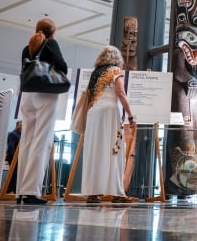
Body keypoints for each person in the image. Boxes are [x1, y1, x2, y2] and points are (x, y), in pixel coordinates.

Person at [16, 18, 68, 205]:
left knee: (27, 140)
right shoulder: (51, 43)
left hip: (27, 95)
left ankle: (21, 191)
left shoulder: (27, 47)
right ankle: (31, 191)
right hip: (45, 94)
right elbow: (62, 66)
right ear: (53, 32)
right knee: (41, 141)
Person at [80, 45, 138, 204]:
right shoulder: (115, 71)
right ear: (117, 58)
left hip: (93, 113)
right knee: (114, 149)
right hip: (110, 111)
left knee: (95, 150)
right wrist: (131, 116)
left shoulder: (94, 74)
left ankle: (93, 193)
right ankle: (117, 193)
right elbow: (121, 93)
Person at [4, 121, 22, 193]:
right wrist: (14, 156)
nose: (22, 127)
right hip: (13, 157)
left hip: (17, 157)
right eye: (21, 125)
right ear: (17, 125)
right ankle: (8, 190)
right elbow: (11, 146)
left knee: (15, 174)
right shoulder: (13, 134)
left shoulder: (20, 134)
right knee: (13, 173)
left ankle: (11, 190)